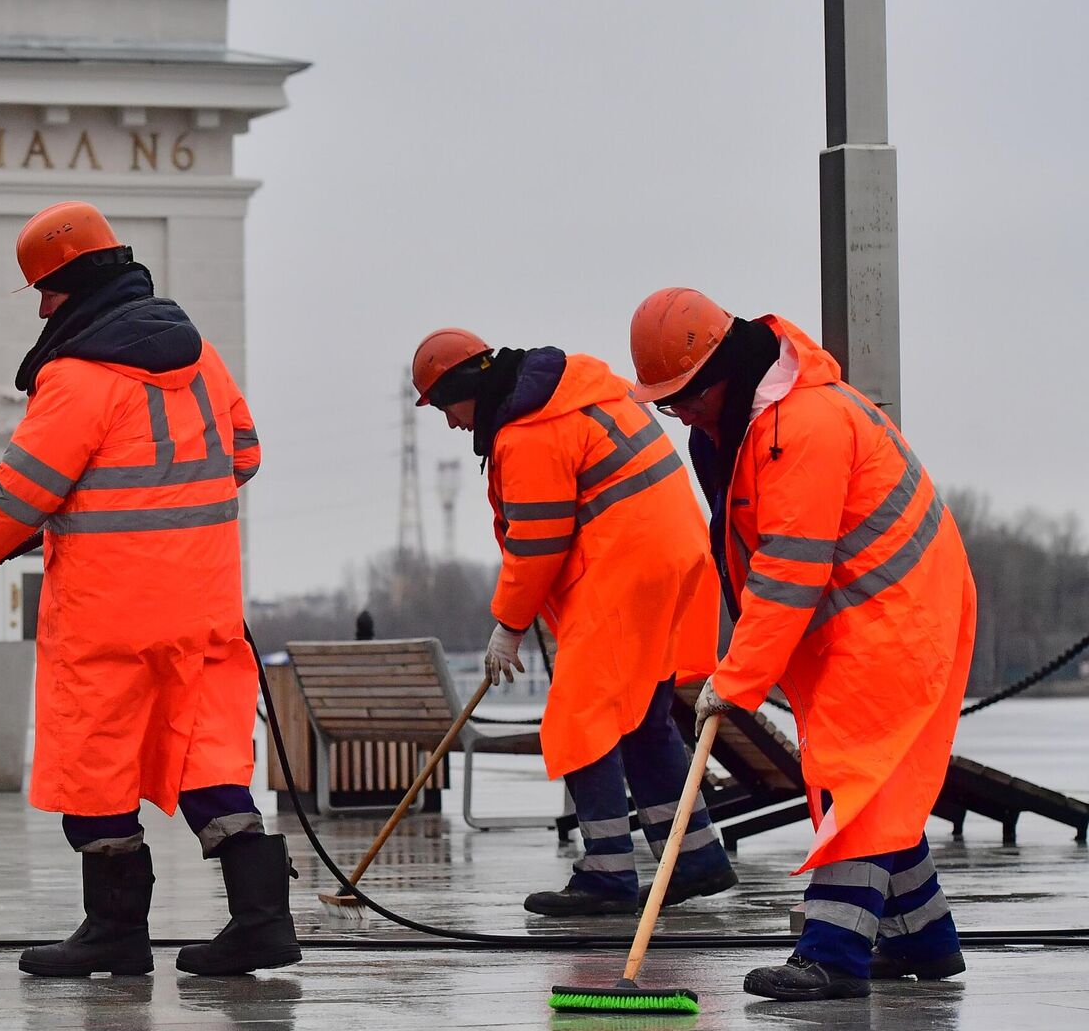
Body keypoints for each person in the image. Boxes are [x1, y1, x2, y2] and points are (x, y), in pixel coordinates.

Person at [0, 201, 299, 979]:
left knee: (95, 760)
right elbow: (243, 456)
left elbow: (17, 494)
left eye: (44, 291)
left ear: (71, 285)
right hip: (205, 604)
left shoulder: (79, 379)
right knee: (206, 755)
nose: (42, 307)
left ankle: (114, 933)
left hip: (109, 614)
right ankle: (261, 921)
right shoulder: (203, 358)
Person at [628, 287, 974, 1001]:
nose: (681, 412)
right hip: (858, 614)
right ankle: (924, 937)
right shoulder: (738, 428)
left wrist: (739, 675)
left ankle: (834, 954)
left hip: (896, 611)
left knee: (855, 776)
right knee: (865, 774)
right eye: (667, 402)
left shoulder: (805, 425)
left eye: (685, 394)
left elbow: (790, 568)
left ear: (724, 370)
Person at [409, 328, 736, 917]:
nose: (452, 424)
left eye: (446, 408)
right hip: (673, 559)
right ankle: (694, 859)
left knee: (579, 719)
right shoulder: (576, 393)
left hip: (626, 570)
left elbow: (539, 540)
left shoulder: (531, 432)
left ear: (466, 389)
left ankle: (607, 875)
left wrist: (508, 624)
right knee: (642, 720)